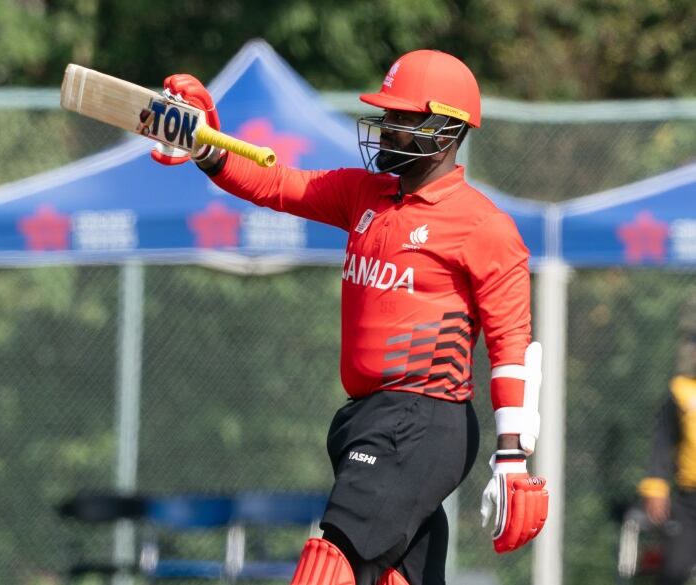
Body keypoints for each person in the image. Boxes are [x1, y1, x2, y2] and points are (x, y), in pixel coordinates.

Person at [152, 49, 549, 585]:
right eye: (386, 116)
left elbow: (511, 343)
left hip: (422, 422)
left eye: (402, 119)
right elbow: (277, 183)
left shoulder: (483, 226)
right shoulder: (365, 194)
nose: (386, 129)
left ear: (446, 129)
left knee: (329, 566)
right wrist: (204, 146)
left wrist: (512, 456)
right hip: (366, 419)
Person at [638, 291, 696, 585]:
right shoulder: (681, 390)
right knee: (674, 569)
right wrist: (656, 486)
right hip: (689, 500)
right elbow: (663, 442)